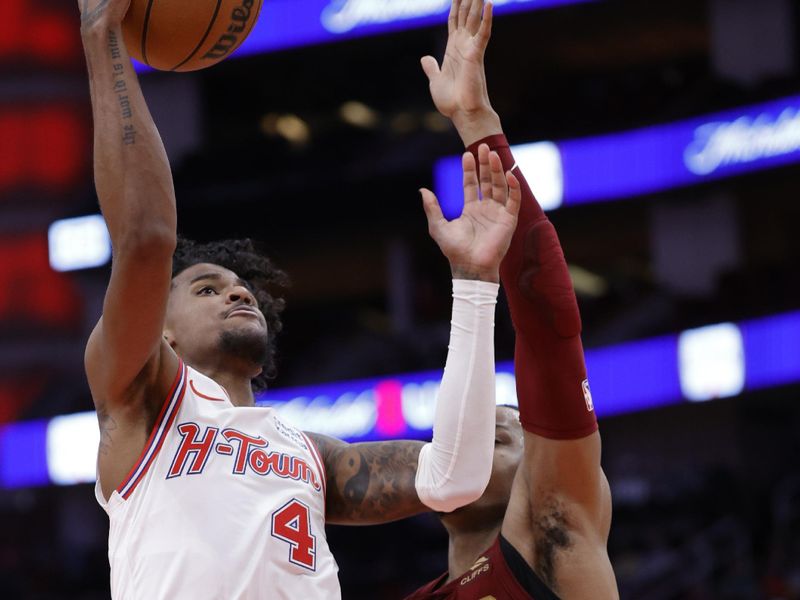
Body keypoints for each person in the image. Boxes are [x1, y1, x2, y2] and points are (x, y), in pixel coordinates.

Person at [76, 0, 522, 597]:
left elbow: (454, 477)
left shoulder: (311, 454)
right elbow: (147, 239)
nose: (236, 291)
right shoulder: (141, 405)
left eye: (240, 287)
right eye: (206, 288)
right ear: (162, 332)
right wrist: (102, 33)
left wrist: (473, 280)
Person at [406, 0, 619, 597]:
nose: (494, 418)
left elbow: (551, 333)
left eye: (511, 428)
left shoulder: (556, 533)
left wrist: (476, 121)